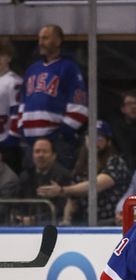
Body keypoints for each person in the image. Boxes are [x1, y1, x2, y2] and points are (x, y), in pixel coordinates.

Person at [18, 25, 88, 171]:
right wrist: (21, 127)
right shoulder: (32, 69)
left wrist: (61, 134)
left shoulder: (69, 68)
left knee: (58, 186)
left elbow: (80, 106)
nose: (40, 42)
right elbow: (22, 102)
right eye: (39, 39)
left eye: (45, 38)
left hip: (56, 143)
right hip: (30, 143)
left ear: (58, 41)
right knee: (30, 187)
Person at [37, 121, 131, 226]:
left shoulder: (115, 161)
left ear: (108, 142)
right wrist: (66, 220)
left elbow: (96, 185)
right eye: (90, 137)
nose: (94, 141)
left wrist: (62, 190)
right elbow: (73, 196)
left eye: (99, 138)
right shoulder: (81, 164)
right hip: (84, 222)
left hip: (111, 222)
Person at [16, 137, 71, 224]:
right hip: (25, 226)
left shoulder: (64, 176)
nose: (40, 155)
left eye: (45, 151)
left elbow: (62, 208)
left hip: (53, 226)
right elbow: (17, 203)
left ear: (54, 156)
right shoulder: (25, 177)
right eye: (37, 151)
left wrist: (34, 220)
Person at [0, 38, 22, 175]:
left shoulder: (13, 81)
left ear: (9, 57)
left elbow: (17, 112)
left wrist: (11, 139)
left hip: (6, 145)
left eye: (1, 55)